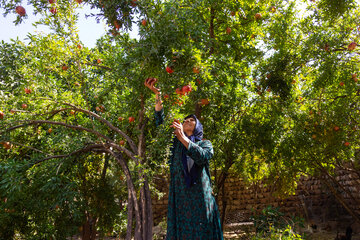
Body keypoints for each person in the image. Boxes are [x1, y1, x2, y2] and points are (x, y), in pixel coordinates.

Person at [145, 78, 223, 240]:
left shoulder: (205, 144)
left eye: (192, 120)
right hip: (181, 196)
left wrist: (182, 138)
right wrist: (158, 95)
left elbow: (203, 157)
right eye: (185, 120)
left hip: (201, 197)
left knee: (204, 231)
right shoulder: (176, 145)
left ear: (198, 127)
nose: (187, 121)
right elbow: (160, 121)